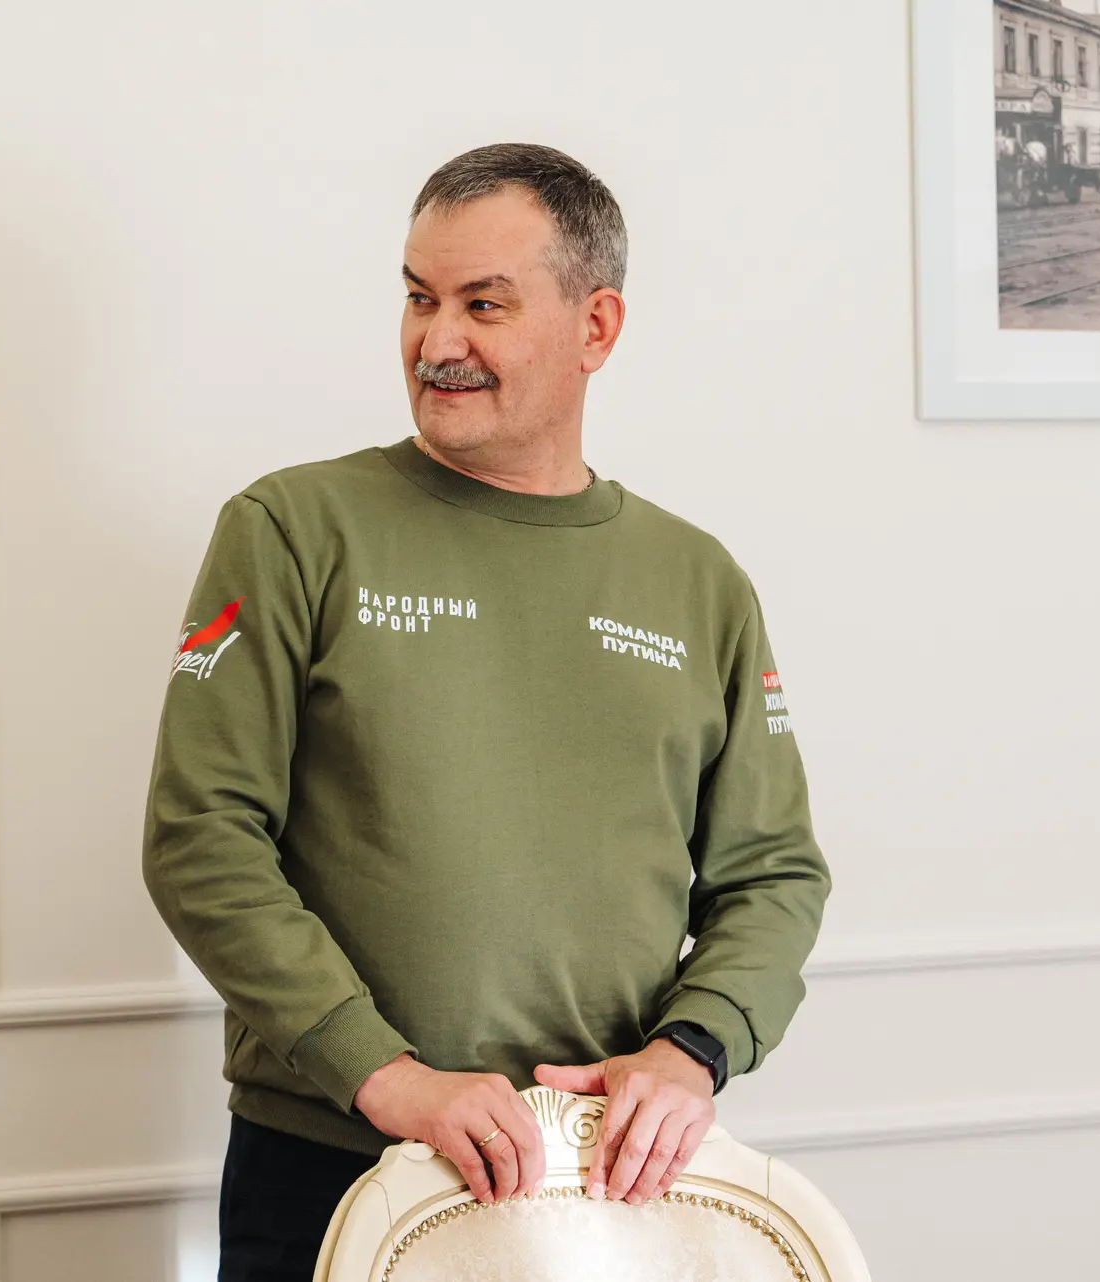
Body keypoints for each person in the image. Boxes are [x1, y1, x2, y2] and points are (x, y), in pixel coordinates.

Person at [142, 142, 832, 1281]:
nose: (436, 341)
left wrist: (693, 1049)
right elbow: (200, 836)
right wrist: (387, 1077)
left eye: (483, 304)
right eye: (419, 297)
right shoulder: (291, 528)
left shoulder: (698, 581)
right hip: (330, 1164)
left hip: (605, 1186)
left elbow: (773, 873)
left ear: (595, 327)